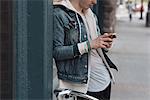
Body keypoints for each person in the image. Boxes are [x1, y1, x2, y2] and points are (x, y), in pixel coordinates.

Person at [53, 0, 118, 100]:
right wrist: (89, 45)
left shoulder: (90, 14)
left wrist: (103, 44)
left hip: (104, 83)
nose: (95, 2)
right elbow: (57, 52)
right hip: (84, 88)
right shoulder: (59, 14)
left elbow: (94, 48)